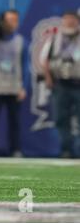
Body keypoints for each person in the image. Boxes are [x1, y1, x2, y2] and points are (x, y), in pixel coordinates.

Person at [0, 10, 28, 157]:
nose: (11, 23)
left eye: (14, 20)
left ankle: (15, 150)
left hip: (14, 88)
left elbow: (26, 66)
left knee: (14, 123)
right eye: (8, 20)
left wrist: (24, 87)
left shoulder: (21, 42)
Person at [42, 11, 80, 158]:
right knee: (61, 118)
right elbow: (45, 60)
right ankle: (66, 150)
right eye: (66, 19)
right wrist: (48, 78)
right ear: (62, 21)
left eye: (72, 20)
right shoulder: (54, 39)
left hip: (78, 84)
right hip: (61, 84)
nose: (69, 22)